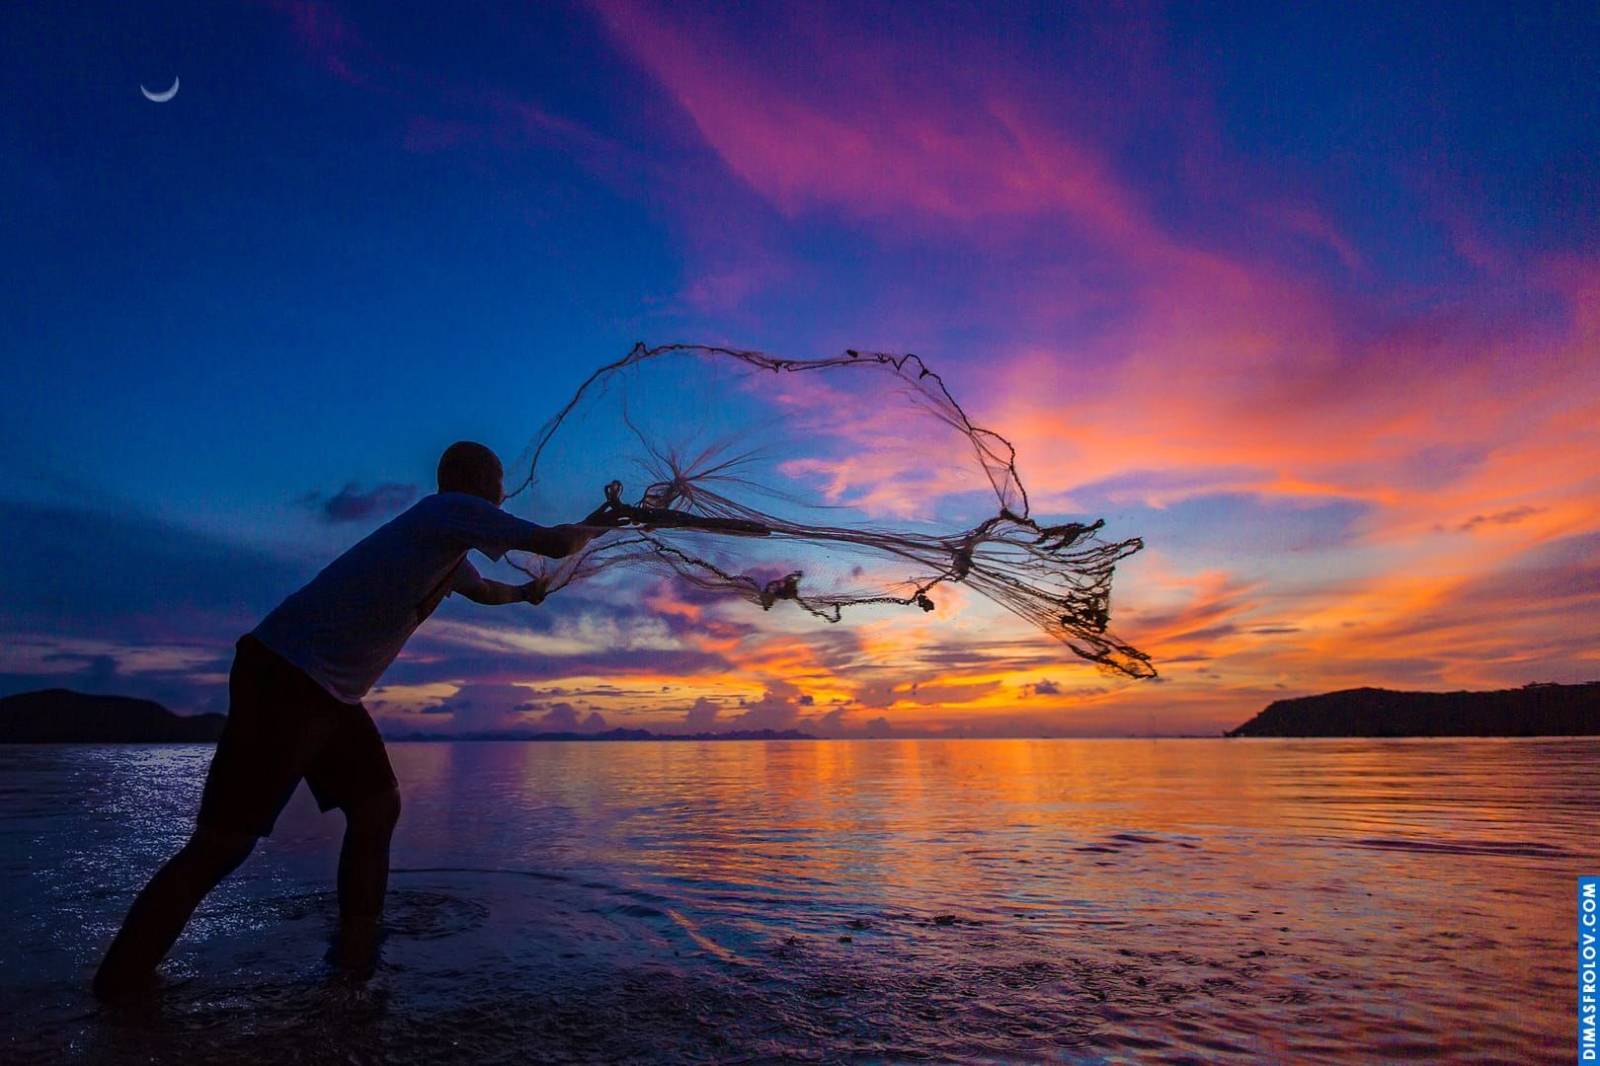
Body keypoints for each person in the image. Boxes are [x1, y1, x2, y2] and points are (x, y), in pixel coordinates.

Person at [92, 441, 613, 998]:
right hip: (287, 677)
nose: (505, 492)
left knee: (376, 806)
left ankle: (355, 959)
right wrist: (599, 525)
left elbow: (483, 590)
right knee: (224, 843)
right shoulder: (447, 511)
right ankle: (118, 985)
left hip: (329, 692)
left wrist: (525, 594)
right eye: (500, 481)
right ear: (477, 482)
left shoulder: (446, 547)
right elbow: (555, 542)